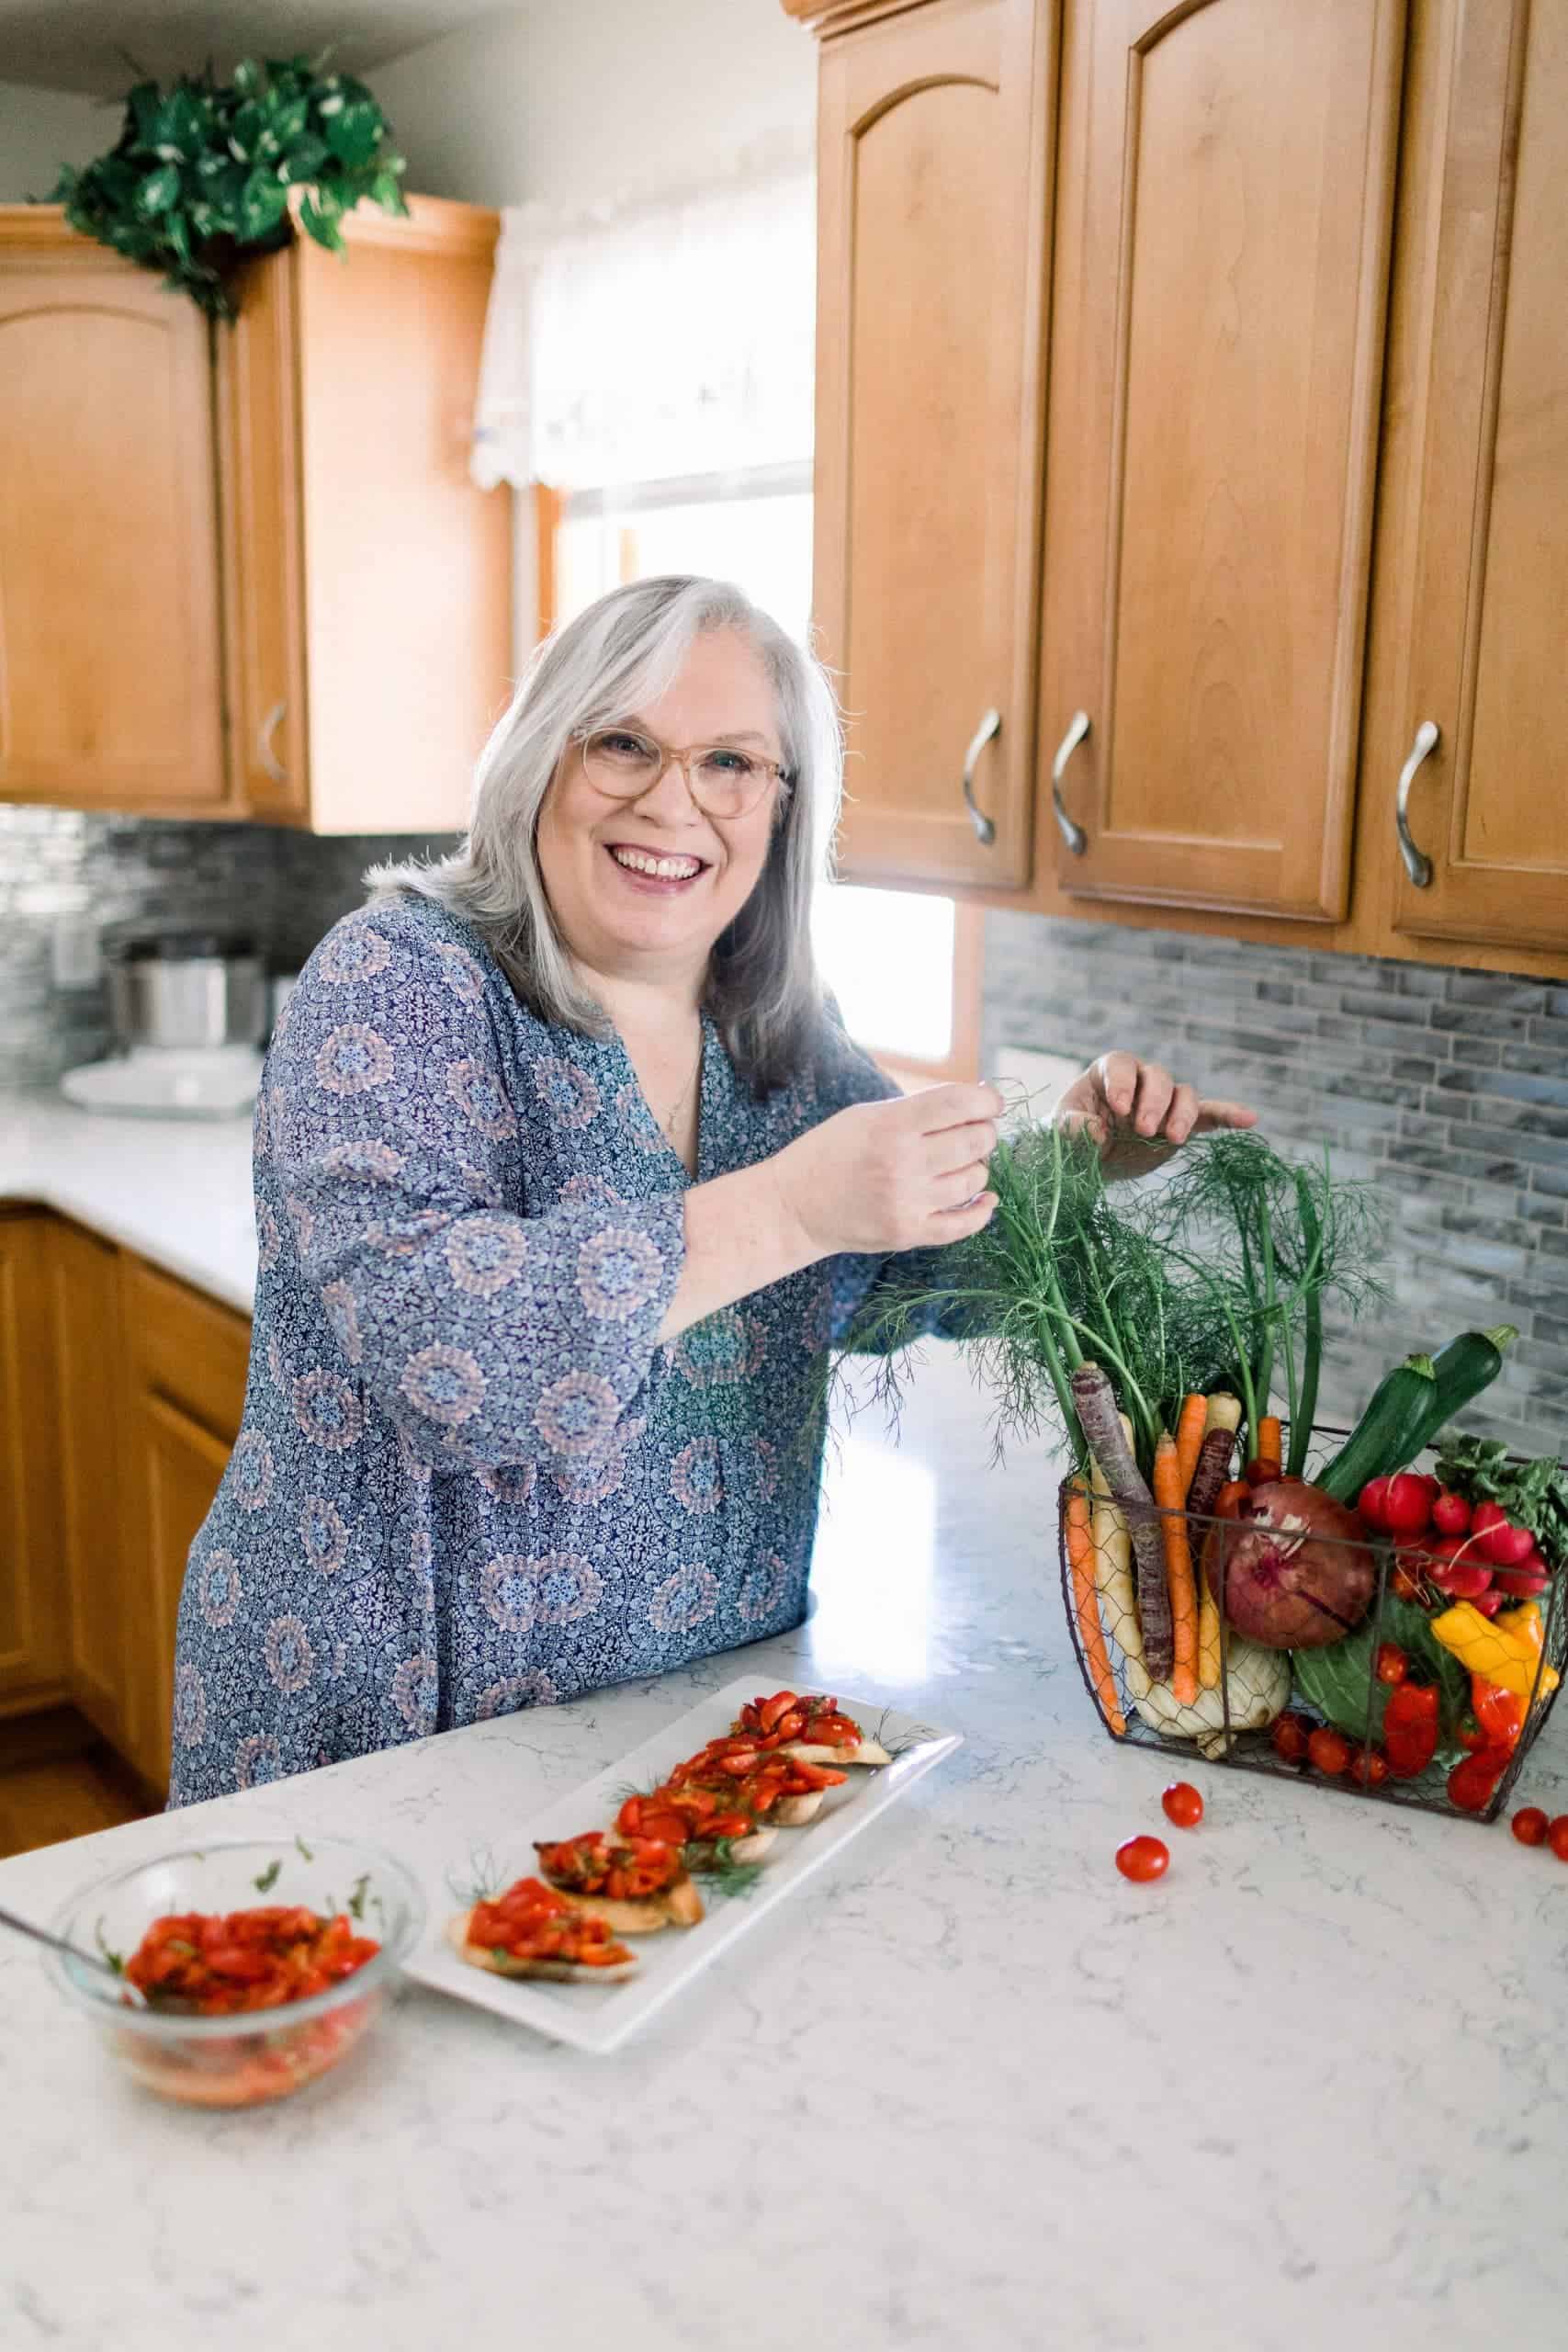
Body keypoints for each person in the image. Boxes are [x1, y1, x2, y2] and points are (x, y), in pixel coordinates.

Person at [168, 576, 1254, 1804]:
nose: (673, 800)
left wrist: (1074, 1162)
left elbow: (897, 1279)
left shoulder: (779, 1030)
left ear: (782, 806)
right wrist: (794, 1203)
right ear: (542, 758)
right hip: (390, 1742)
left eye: (731, 762)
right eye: (624, 742)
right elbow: (450, 1359)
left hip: (694, 1734)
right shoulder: (400, 979)